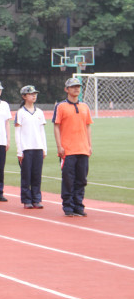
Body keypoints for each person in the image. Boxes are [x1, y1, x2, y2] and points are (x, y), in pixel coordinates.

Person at [53, 77, 93, 217]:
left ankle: (78, 205)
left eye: (78, 86)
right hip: (68, 150)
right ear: (66, 89)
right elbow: (56, 126)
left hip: (83, 148)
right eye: (73, 86)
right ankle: (68, 206)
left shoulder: (85, 107)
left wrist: (89, 145)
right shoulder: (61, 106)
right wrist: (59, 145)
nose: (76, 89)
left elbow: (88, 126)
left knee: (81, 179)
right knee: (68, 180)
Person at [15, 85, 47, 210]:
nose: (34, 96)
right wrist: (20, 150)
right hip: (26, 148)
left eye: (35, 94)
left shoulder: (39, 112)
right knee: (26, 175)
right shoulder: (21, 112)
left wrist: (44, 148)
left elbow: (42, 131)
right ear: (24, 96)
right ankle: (26, 199)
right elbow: (17, 132)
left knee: (37, 175)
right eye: (30, 94)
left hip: (38, 147)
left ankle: (36, 199)